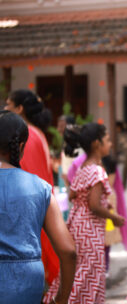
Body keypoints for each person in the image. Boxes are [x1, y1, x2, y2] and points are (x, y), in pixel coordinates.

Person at [41, 123, 125, 304]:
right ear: (97, 144)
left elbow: (72, 196)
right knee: (87, 274)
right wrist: (114, 217)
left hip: (78, 226)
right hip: (90, 229)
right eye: (107, 140)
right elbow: (95, 205)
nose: (110, 144)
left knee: (80, 272)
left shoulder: (83, 169)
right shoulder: (97, 171)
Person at [0, 111, 76, 304]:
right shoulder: (40, 187)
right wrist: (61, 301)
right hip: (24, 283)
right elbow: (68, 251)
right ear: (21, 145)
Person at [4, 89, 60, 286]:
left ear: (19, 109)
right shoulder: (35, 132)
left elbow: (27, 176)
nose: (5, 108)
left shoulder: (26, 136)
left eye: (8, 104)